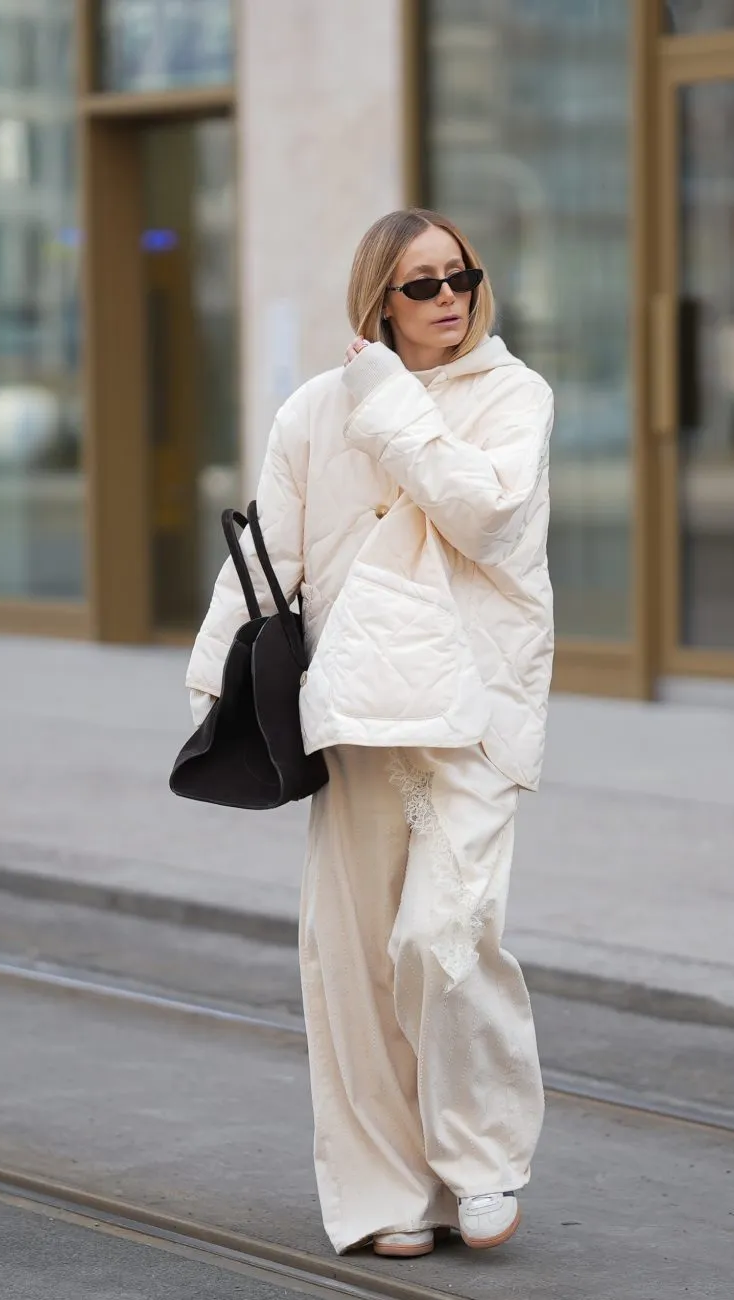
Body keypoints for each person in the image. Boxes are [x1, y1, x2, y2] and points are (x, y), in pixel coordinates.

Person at [183, 209, 555, 1258]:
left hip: (471, 716)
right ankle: (389, 1188)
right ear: (376, 303)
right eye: (422, 284)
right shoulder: (312, 411)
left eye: (460, 277)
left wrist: (391, 402)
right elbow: (268, 552)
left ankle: (479, 1163)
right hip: (353, 716)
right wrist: (214, 684)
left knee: (441, 938)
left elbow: (484, 514)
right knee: (347, 962)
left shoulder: (511, 396)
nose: (449, 298)